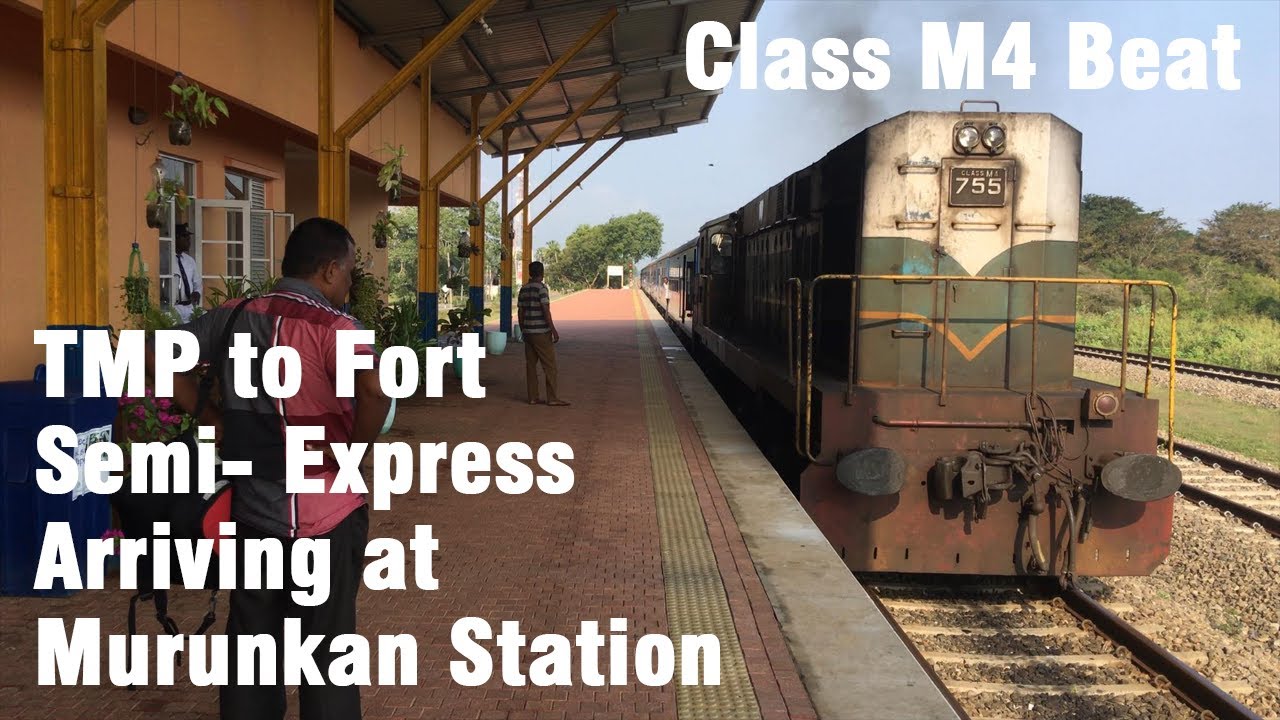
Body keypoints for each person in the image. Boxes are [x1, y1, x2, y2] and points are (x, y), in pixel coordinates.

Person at [154, 217, 389, 720]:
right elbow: (374, 392)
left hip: (254, 515)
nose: (348, 287)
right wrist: (353, 453)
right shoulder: (335, 327)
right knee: (327, 654)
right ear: (329, 270)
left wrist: (209, 415)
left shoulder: (232, 315)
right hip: (326, 519)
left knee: (253, 651)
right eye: (349, 275)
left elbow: (161, 357)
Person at [517, 261, 568, 406]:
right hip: (541, 333)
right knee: (550, 366)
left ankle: (533, 397)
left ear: (530, 273)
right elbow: (546, 310)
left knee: (531, 365)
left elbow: (521, 312)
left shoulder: (524, 289)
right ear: (542, 273)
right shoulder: (542, 289)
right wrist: (553, 330)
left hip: (528, 331)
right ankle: (552, 398)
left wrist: (523, 329)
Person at [174, 223, 202, 323]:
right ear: (175, 238)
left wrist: (197, 292)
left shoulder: (190, 261)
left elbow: (197, 283)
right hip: (174, 307)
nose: (188, 240)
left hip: (190, 307)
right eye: (185, 236)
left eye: (189, 237)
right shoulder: (166, 259)